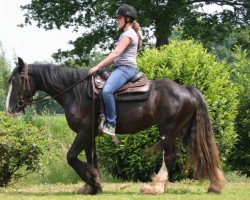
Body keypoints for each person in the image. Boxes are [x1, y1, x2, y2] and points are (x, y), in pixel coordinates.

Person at [88, 4, 142, 136]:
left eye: (119, 18)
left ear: (128, 19)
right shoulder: (126, 34)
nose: (117, 20)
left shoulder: (128, 34)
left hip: (125, 69)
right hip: (120, 68)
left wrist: (97, 66)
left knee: (107, 91)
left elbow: (115, 54)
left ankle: (111, 124)